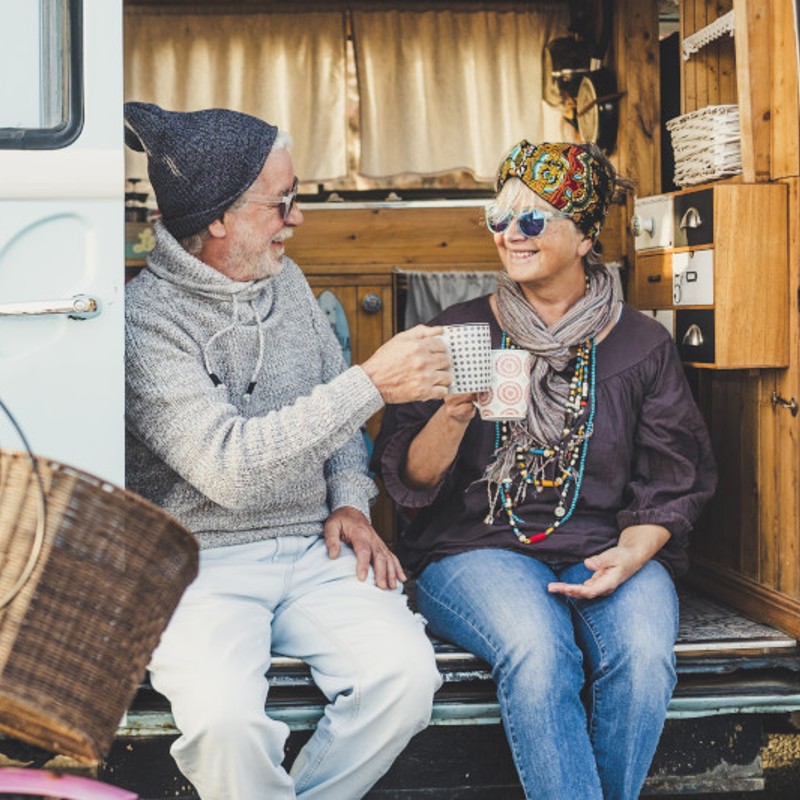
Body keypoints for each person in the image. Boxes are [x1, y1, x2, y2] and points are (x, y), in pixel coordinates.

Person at [122, 102, 450, 800]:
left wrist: (352, 503)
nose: (297, 218)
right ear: (216, 218)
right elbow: (231, 470)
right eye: (283, 202)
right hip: (195, 563)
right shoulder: (143, 323)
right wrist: (372, 384)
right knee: (224, 725)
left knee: (407, 681)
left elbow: (336, 425)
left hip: (312, 550)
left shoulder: (289, 284)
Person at [372, 140, 717, 800]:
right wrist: (451, 415)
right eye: (499, 218)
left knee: (644, 659)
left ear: (586, 234)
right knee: (539, 651)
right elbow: (410, 485)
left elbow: (674, 478)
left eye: (532, 220)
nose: (510, 235)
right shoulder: (460, 332)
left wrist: (632, 551)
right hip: (475, 550)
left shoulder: (642, 345)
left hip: (606, 549)